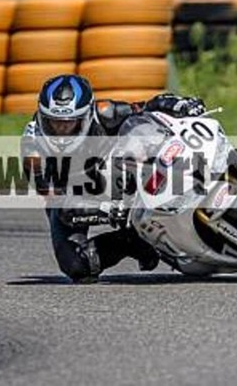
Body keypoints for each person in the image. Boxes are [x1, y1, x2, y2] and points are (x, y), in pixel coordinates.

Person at [22, 74, 206, 284]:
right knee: (76, 267)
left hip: (114, 172)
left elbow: (145, 107)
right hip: (72, 197)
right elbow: (55, 200)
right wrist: (105, 209)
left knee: (139, 138)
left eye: (70, 123)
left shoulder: (105, 112)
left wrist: (177, 104)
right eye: (54, 123)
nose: (62, 131)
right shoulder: (32, 147)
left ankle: (188, 178)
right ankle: (132, 241)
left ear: (87, 115)